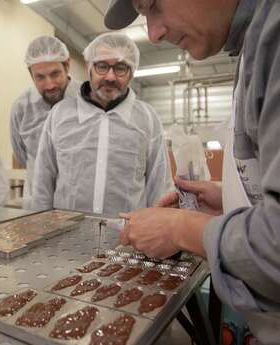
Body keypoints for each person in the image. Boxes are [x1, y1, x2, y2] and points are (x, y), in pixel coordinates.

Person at [104, 0, 280, 343]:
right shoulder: (252, 42)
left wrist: (182, 228)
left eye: (153, 5)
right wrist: (230, 204)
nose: (153, 34)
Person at [31, 32, 173, 215]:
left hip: (127, 236)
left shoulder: (147, 118)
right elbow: (43, 181)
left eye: (121, 68)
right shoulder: (60, 114)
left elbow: (159, 185)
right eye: (102, 66)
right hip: (66, 233)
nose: (111, 77)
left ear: (132, 73)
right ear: (88, 67)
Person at [10, 36, 80, 208]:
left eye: (55, 74)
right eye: (40, 77)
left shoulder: (87, 98)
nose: (49, 85)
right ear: (30, 73)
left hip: (78, 201)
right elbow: (21, 154)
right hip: (36, 202)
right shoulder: (21, 107)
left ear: (67, 65)